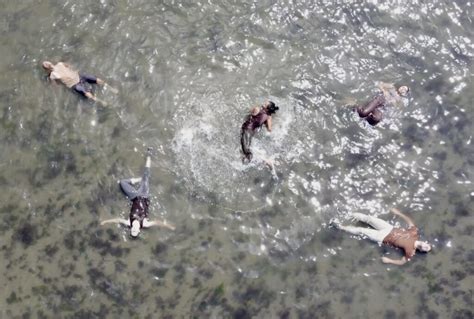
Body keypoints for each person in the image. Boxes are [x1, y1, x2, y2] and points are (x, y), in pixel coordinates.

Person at [100, 148, 175, 238]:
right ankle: (149, 155)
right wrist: (169, 226)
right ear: (139, 230)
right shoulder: (145, 224)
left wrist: (105, 222)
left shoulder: (129, 222)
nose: (133, 229)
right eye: (135, 230)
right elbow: (157, 223)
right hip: (144, 195)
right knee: (146, 175)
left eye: (132, 230)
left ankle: (137, 180)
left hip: (134, 196)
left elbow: (118, 220)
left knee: (122, 183)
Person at [334, 208, 431, 265]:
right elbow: (410, 222)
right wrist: (398, 213)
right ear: (425, 242)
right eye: (427, 246)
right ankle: (349, 213)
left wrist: (389, 261)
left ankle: (340, 227)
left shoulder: (411, 251)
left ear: (421, 251)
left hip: (382, 237)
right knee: (369, 218)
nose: (425, 247)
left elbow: (402, 261)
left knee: (361, 230)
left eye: (426, 249)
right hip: (388, 228)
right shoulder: (414, 234)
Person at [42, 60, 114, 102]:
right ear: (51, 63)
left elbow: (56, 86)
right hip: (78, 77)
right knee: (95, 80)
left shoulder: (52, 75)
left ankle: (102, 102)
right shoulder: (60, 64)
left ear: (46, 70)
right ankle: (111, 89)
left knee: (86, 93)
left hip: (74, 84)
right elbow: (69, 66)